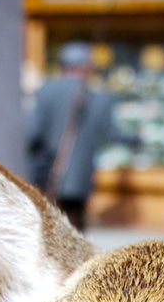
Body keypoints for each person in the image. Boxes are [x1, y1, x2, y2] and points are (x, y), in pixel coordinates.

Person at [27, 41, 117, 230]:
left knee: (50, 232)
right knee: (76, 232)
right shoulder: (99, 98)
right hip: (80, 181)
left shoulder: (46, 91)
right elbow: (108, 135)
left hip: (47, 177)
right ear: (87, 67)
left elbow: (34, 133)